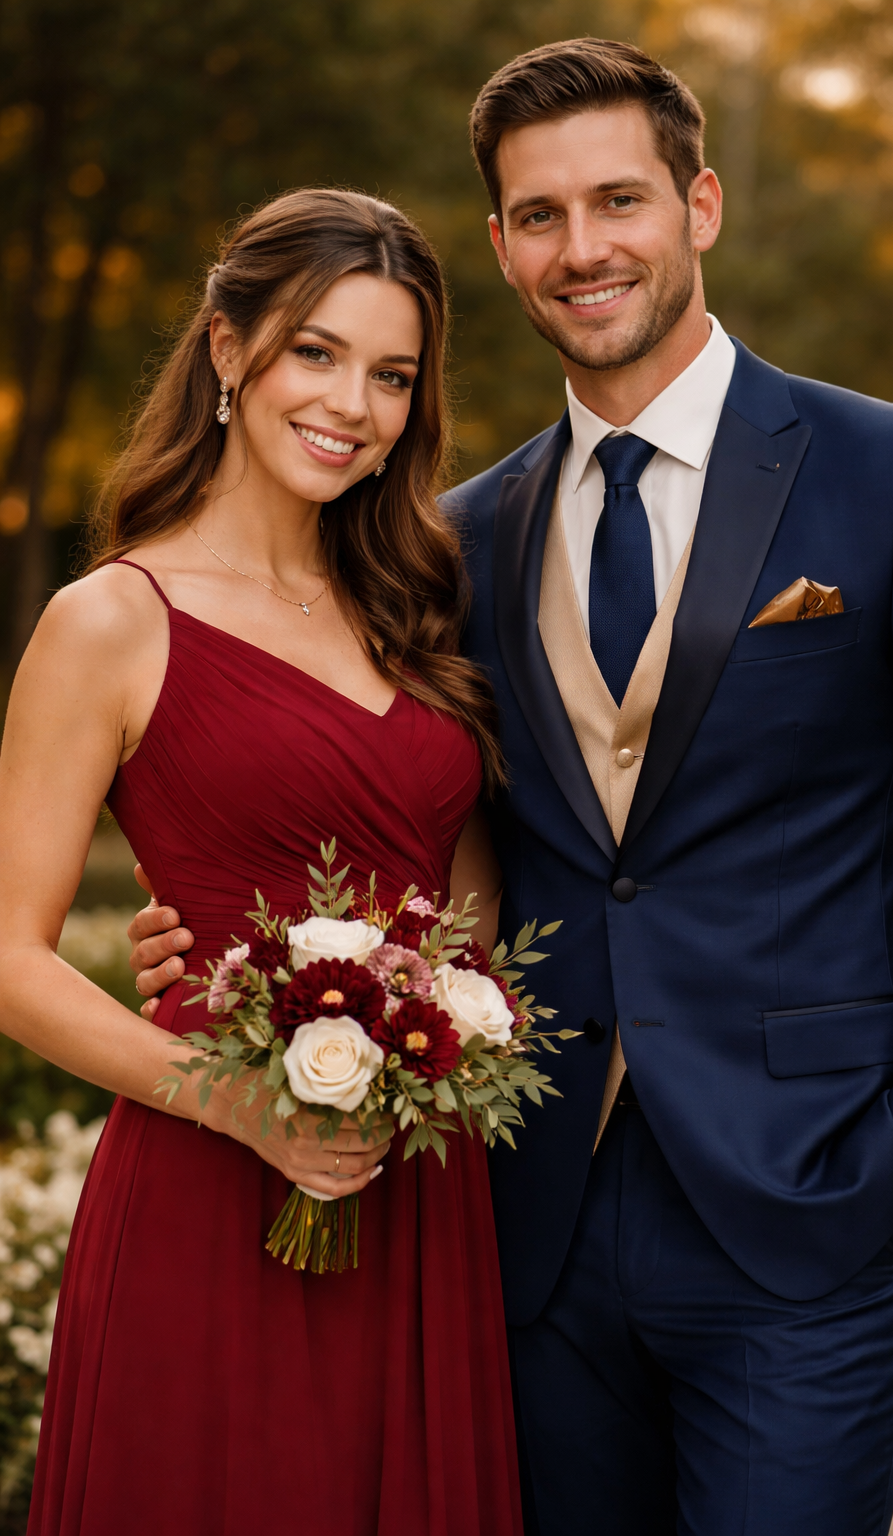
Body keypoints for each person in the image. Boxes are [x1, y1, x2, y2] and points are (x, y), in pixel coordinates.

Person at [128, 37, 893, 1536]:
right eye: (539, 215)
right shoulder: (456, 540)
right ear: (500, 246)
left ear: (700, 206)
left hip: (810, 1214)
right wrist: (219, 940)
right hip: (521, 1225)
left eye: (620, 200)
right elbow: (407, 822)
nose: (582, 247)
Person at [0, 188, 523, 1536]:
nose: (353, 403)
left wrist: (449, 1029)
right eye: (317, 352)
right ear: (229, 347)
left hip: (417, 1178)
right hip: (208, 1169)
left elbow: (464, 899)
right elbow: (9, 957)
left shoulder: (416, 604)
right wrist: (238, 1105)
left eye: (392, 374)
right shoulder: (110, 621)